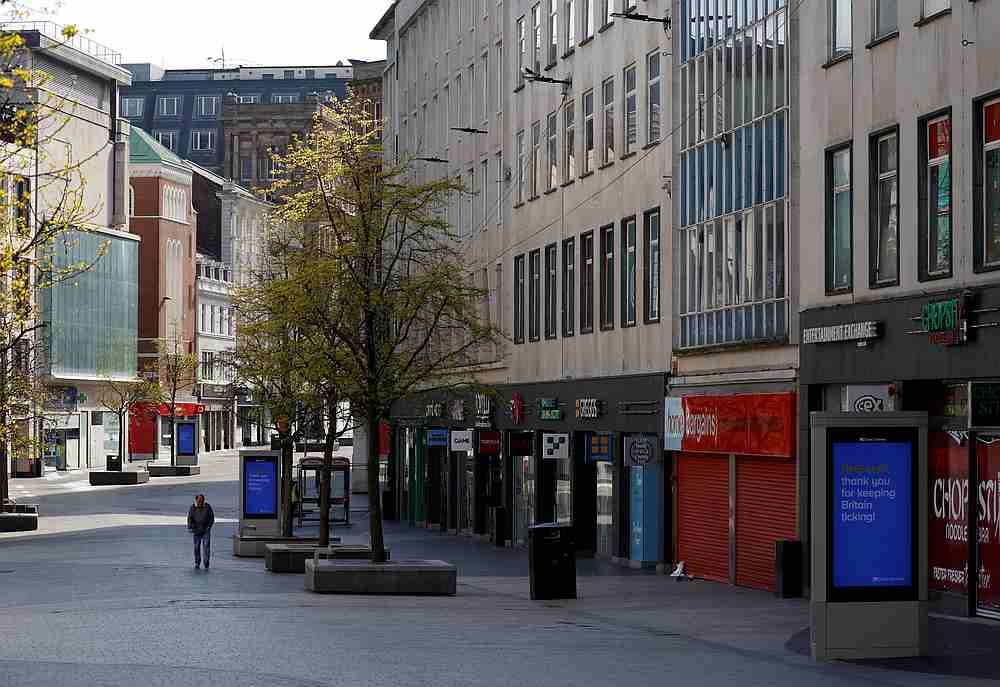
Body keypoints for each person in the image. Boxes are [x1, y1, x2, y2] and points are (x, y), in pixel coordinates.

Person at [187, 494, 215, 569]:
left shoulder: (207, 507)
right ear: (196, 500)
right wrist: (190, 527)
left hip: (206, 530)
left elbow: (211, 518)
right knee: (196, 547)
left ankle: (206, 562)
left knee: (206, 546)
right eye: (199, 501)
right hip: (196, 531)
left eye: (202, 501)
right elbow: (190, 518)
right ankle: (197, 562)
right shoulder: (192, 508)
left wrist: (209, 527)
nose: (200, 502)